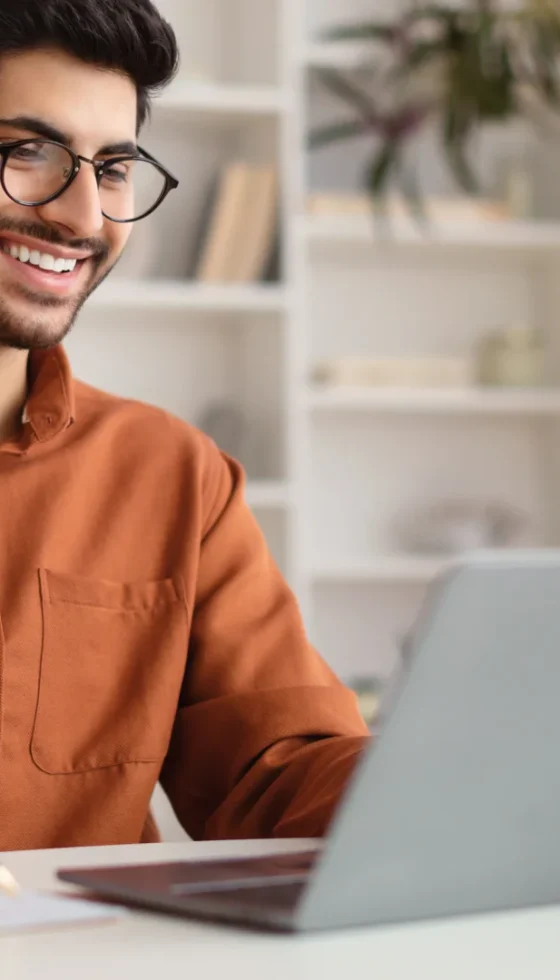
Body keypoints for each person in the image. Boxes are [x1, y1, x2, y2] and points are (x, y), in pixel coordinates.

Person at [0, 0, 370, 852]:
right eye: (27, 152)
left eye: (116, 169)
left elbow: (274, 771)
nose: (84, 218)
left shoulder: (172, 474)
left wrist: (456, 776)